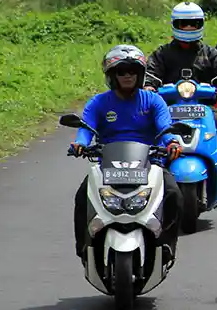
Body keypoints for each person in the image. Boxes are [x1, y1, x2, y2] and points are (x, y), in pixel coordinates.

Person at [70, 45, 184, 266]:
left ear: (140, 74)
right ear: (112, 75)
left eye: (132, 70)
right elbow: (85, 129)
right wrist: (80, 144)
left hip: (150, 164)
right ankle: (84, 247)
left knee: (174, 195)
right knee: (82, 196)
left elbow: (165, 128)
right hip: (108, 167)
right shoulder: (98, 103)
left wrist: (171, 143)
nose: (127, 75)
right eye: (121, 71)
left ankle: (167, 245)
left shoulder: (153, 101)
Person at [144, 2, 217, 157]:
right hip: (168, 106)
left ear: (200, 25)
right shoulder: (162, 53)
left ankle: (216, 165)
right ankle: (155, 163)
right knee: (148, 122)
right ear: (175, 25)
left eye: (193, 24)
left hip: (203, 107)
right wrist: (149, 86)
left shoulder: (210, 53)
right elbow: (151, 72)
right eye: (183, 24)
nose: (188, 28)